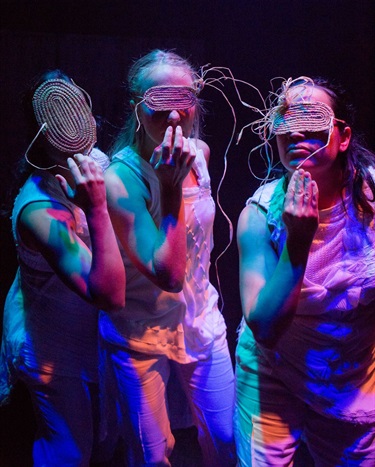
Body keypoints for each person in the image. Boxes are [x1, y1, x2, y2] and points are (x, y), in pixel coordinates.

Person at [99, 49, 236, 466]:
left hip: (199, 319)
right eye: (160, 108)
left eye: (184, 105)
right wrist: (171, 189)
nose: (175, 119)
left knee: (226, 440)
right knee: (152, 455)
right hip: (140, 329)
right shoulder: (119, 178)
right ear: (136, 108)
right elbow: (170, 275)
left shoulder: (203, 154)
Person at [234, 76, 375, 466]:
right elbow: (264, 327)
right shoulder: (260, 215)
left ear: (342, 136)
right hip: (272, 370)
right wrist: (297, 242)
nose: (295, 130)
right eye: (284, 120)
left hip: (348, 371)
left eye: (311, 118)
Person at [0, 69, 125, 466]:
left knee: (105, 445)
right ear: (41, 131)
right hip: (53, 350)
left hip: (91, 340)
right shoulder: (39, 210)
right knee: (69, 452)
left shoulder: (95, 163)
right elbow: (109, 293)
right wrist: (97, 208)